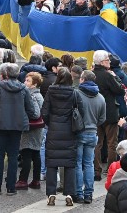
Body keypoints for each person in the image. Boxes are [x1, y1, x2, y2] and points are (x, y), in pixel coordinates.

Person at [0, 62, 38, 195]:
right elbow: (31, 109)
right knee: (13, 156)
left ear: (5, 74)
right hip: (17, 126)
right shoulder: (23, 89)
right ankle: (11, 187)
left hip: (1, 125)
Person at [42, 67, 79, 206]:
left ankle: (51, 193)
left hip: (54, 130)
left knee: (52, 163)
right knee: (69, 164)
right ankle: (69, 194)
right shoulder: (74, 92)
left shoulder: (50, 91)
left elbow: (44, 111)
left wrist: (50, 123)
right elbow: (78, 110)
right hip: (69, 130)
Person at [93, 50, 125, 181]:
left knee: (97, 143)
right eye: (107, 60)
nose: (109, 62)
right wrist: (115, 76)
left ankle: (97, 171)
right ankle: (110, 169)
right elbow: (120, 90)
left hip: (95, 113)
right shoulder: (108, 75)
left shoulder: (91, 74)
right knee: (112, 143)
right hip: (110, 112)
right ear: (102, 62)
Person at [76, 69, 106, 203]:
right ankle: (89, 193)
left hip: (78, 133)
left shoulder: (77, 94)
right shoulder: (100, 97)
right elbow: (102, 119)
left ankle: (78, 193)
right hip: (93, 133)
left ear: (82, 79)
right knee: (89, 164)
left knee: (77, 163)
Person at [15, 72, 44, 191]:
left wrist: (24, 116)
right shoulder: (39, 95)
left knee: (26, 154)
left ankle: (23, 180)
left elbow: (36, 113)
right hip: (37, 129)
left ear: (34, 84)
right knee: (35, 154)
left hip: (30, 129)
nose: (25, 82)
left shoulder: (32, 96)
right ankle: (36, 180)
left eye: (28, 81)